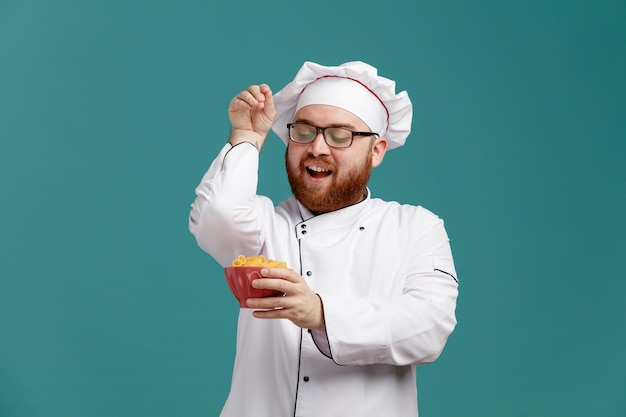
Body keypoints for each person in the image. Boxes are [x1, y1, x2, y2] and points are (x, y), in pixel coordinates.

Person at [189, 61, 459, 417]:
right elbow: (217, 216)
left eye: (339, 135)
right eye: (304, 131)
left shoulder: (415, 227)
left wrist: (321, 312)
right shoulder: (264, 224)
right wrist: (247, 139)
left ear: (376, 151)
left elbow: (429, 326)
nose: (317, 148)